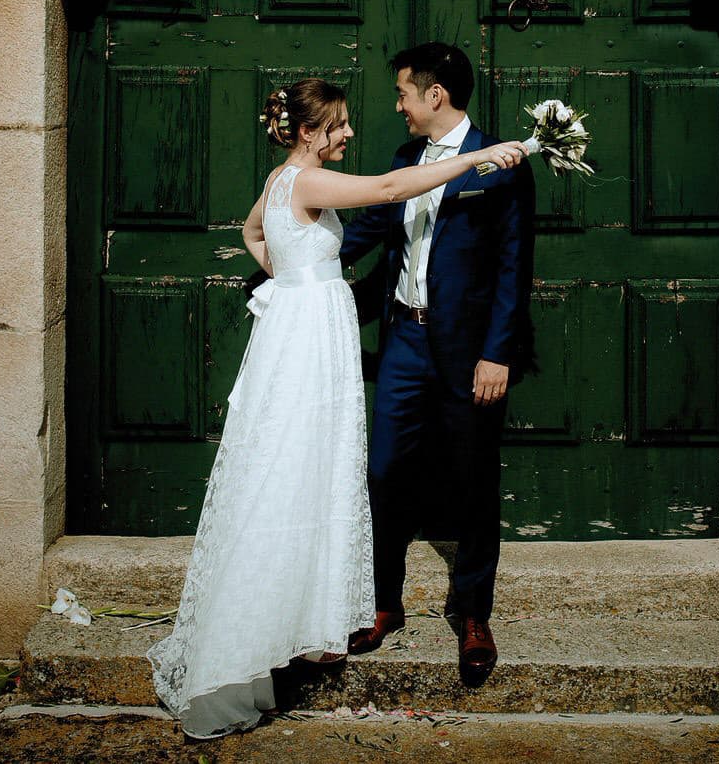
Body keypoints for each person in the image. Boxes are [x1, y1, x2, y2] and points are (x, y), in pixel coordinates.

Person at [147, 78, 525, 739]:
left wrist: (290, 275)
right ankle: (268, 631)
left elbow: (251, 230)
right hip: (305, 342)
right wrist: (474, 159)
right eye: (339, 126)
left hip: (303, 329)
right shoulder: (306, 180)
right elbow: (384, 191)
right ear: (306, 132)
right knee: (296, 472)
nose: (348, 134)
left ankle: (307, 620)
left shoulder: (279, 183)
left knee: (312, 472)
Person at [341, 42, 537, 688]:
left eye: (403, 93)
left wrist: (497, 353)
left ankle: (474, 615)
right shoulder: (405, 160)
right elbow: (370, 229)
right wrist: (297, 260)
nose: (396, 105)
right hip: (404, 341)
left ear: (435, 95)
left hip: (468, 352)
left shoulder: (502, 165)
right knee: (384, 472)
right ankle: (383, 603)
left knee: (474, 481)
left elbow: (514, 268)